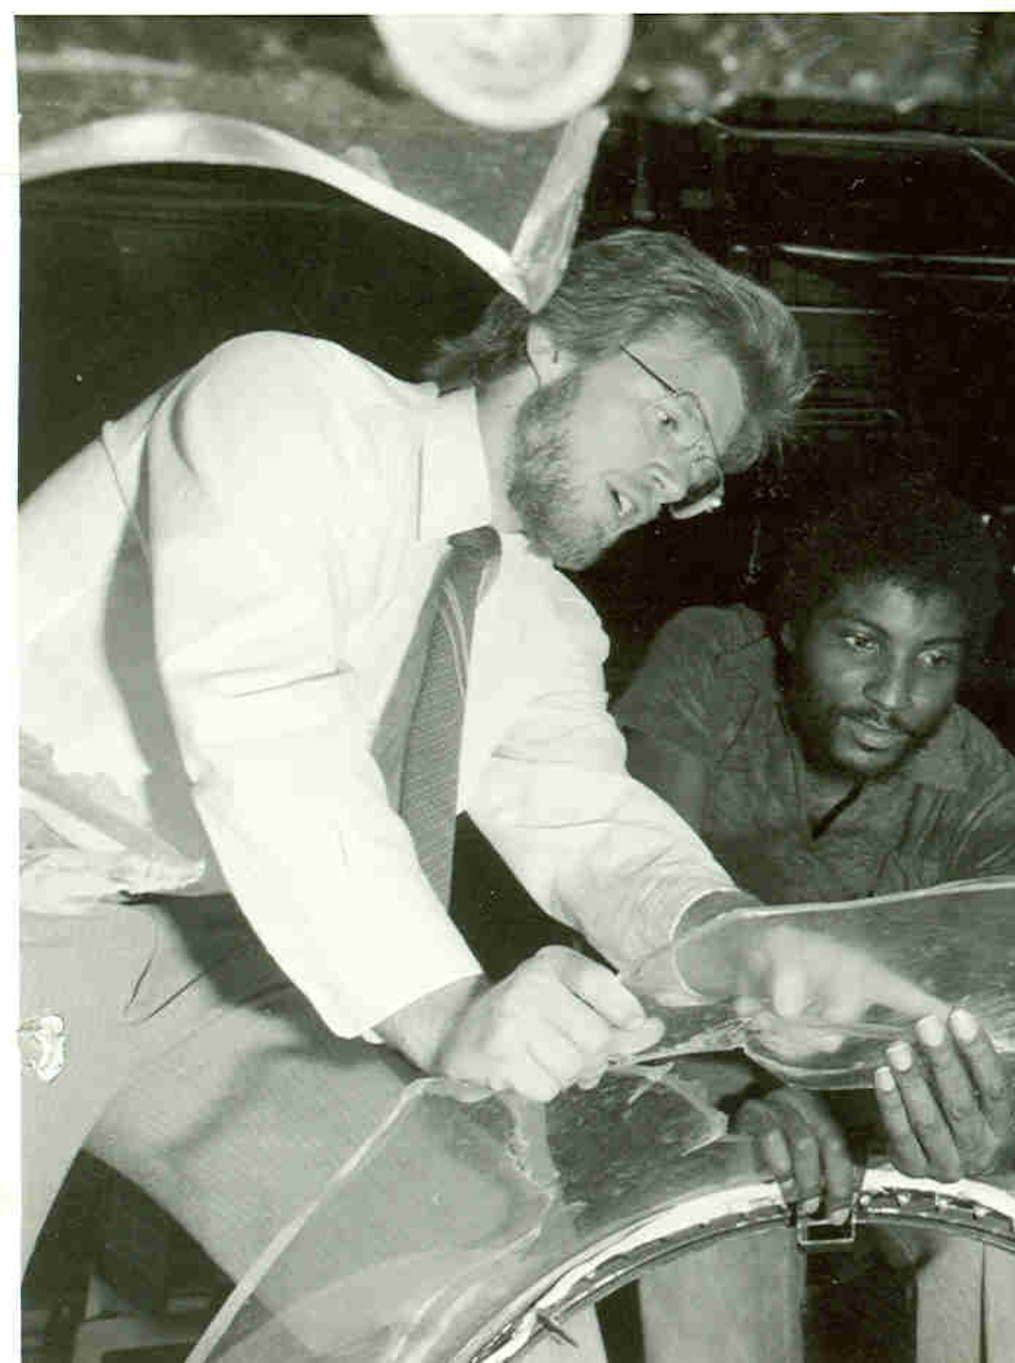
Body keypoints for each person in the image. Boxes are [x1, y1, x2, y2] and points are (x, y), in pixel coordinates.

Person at [15, 230, 945, 1353]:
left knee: (510, 1306)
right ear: (550, 344)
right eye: (669, 420)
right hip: (32, 902)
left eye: (701, 472)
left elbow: (583, 814)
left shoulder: (534, 613)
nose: (673, 479)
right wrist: (447, 1009)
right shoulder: (284, 402)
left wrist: (739, 940)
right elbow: (260, 722)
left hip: (225, 963)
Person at [612, 477, 1015, 1361]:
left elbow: (1002, 1060)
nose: (893, 695)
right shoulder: (713, 662)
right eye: (861, 641)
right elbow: (635, 919)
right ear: (791, 625)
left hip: (876, 1116)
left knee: (997, 1236)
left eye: (935, 658)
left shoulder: (996, 813)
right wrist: (744, 1093)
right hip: (675, 1076)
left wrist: (982, 1120)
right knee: (716, 1205)